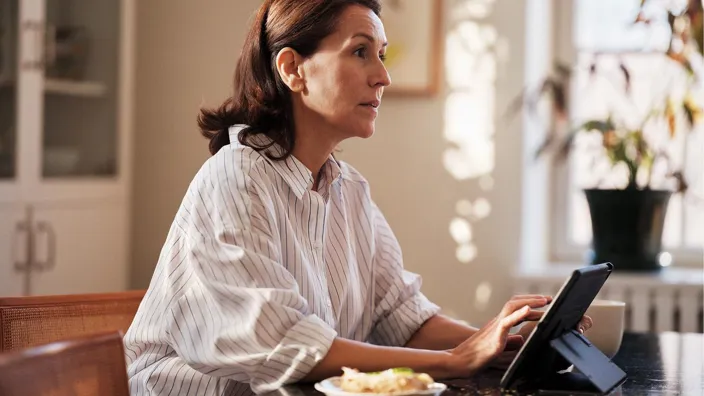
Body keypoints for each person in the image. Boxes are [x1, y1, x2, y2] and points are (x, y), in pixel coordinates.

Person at [123, 1, 592, 395]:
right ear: (292, 69)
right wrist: (455, 360)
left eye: (382, 55)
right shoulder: (236, 176)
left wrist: (500, 343)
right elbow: (284, 342)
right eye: (361, 52)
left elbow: (400, 315)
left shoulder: (347, 189)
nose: (383, 76)